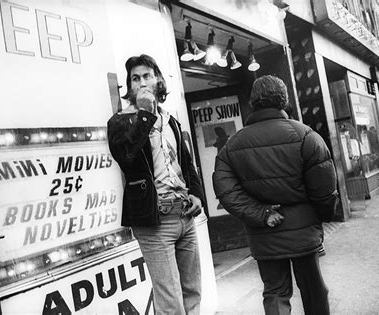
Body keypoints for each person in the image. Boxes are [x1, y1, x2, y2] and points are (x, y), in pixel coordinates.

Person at [213, 75, 338, 315]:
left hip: (264, 234)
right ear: (285, 101)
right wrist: (321, 218)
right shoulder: (306, 136)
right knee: (314, 290)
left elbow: (226, 191)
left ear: (253, 103)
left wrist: (261, 213)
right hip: (303, 232)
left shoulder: (232, 146)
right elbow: (324, 189)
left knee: (276, 293)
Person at [107, 54, 204, 314]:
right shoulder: (120, 122)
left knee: (192, 293)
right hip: (155, 218)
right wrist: (144, 115)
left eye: (147, 76)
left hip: (184, 214)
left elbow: (186, 163)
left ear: (158, 79)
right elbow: (126, 157)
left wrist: (196, 193)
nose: (142, 82)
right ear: (130, 87)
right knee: (170, 303)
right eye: (135, 79)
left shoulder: (171, 120)